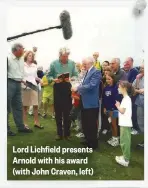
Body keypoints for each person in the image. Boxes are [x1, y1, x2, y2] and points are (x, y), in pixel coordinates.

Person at [47, 47, 78, 140]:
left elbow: (76, 75)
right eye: (63, 56)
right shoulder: (54, 63)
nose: (65, 58)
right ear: (59, 55)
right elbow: (48, 75)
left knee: (67, 112)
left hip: (68, 88)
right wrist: (54, 79)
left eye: (67, 56)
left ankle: (67, 134)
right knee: (58, 112)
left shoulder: (72, 63)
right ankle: (59, 133)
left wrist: (71, 79)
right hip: (58, 88)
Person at [72, 57, 102, 150]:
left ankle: (93, 144)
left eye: (84, 63)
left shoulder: (96, 72)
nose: (83, 65)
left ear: (90, 63)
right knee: (85, 122)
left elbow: (92, 85)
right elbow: (84, 83)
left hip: (91, 102)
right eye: (83, 63)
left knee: (91, 124)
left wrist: (78, 88)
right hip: (84, 101)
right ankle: (87, 139)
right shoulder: (87, 71)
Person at [7, 43, 33, 136]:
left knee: (18, 107)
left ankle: (21, 127)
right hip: (9, 83)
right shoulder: (7, 58)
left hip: (18, 84)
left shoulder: (21, 59)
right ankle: (6, 129)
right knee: (6, 108)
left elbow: (19, 72)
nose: (23, 51)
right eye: (22, 49)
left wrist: (23, 80)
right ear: (17, 50)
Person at [22, 51, 43, 129]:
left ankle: (36, 123)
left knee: (35, 105)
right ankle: (25, 124)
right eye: (29, 55)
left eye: (32, 56)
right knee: (25, 106)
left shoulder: (34, 66)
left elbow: (35, 76)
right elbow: (21, 76)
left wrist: (40, 80)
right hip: (25, 86)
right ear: (26, 56)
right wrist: (24, 82)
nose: (31, 57)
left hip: (34, 86)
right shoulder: (22, 65)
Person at [115, 81, 133, 167]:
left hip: (125, 124)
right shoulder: (125, 98)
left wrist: (118, 106)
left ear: (124, 88)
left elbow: (122, 111)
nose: (118, 88)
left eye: (119, 87)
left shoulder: (126, 99)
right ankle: (125, 156)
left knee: (125, 142)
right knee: (123, 141)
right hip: (124, 123)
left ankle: (126, 160)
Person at [123, 57, 139, 135]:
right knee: (130, 112)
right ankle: (132, 126)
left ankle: (135, 128)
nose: (126, 64)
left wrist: (124, 84)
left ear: (132, 62)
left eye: (127, 62)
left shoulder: (134, 71)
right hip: (128, 95)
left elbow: (132, 84)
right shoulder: (128, 71)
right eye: (125, 62)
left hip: (133, 95)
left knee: (133, 112)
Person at [102, 72, 119, 146]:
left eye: (109, 79)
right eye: (106, 79)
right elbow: (104, 99)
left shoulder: (116, 88)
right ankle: (113, 137)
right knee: (111, 124)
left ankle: (116, 139)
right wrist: (105, 108)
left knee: (114, 124)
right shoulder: (106, 88)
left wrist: (112, 108)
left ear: (113, 79)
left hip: (113, 109)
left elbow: (117, 99)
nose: (108, 80)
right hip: (108, 109)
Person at [132, 64, 144, 149]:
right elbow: (133, 88)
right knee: (140, 121)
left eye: (143, 68)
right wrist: (138, 90)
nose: (141, 69)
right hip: (140, 102)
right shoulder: (138, 77)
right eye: (141, 68)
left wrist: (139, 91)